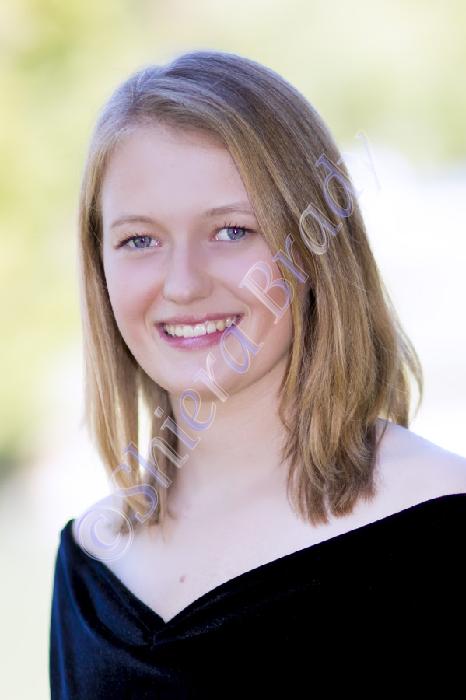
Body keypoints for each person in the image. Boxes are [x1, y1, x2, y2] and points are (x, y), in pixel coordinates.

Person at [49, 49, 466, 697]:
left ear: (318, 251)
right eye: (140, 240)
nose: (183, 284)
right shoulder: (90, 564)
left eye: (231, 231)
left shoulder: (438, 520)